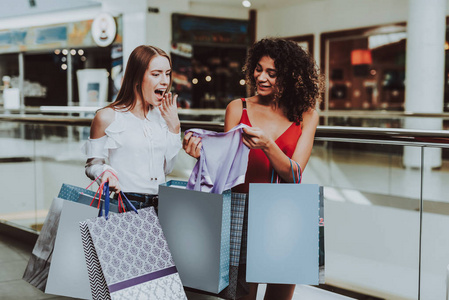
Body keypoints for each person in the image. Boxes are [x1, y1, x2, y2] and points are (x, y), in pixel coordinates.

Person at [183, 38, 321, 300]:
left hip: (285, 213)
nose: (262, 77)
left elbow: (294, 174)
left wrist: (268, 145)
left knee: (279, 296)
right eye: (258, 69)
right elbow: (225, 167)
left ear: (290, 76)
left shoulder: (307, 114)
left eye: (272, 72)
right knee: (241, 295)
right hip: (240, 212)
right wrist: (201, 154)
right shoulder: (238, 108)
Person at [82, 45, 182, 210]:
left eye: (168, 73)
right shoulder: (107, 117)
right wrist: (106, 172)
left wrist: (174, 127)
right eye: (156, 74)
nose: (165, 81)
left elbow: (167, 169)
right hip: (127, 204)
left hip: (163, 205)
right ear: (137, 77)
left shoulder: (162, 117)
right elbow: (92, 165)